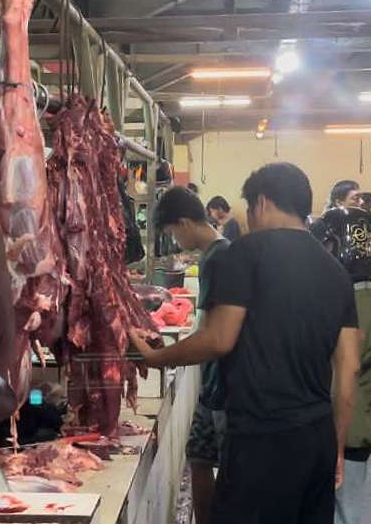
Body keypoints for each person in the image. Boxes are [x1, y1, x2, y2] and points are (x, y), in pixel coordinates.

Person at [129, 162, 361, 524]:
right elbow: (349, 369)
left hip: (260, 436)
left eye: (250, 209)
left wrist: (157, 357)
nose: (249, 219)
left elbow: (219, 340)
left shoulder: (245, 253)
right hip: (316, 437)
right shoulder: (336, 271)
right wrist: (338, 447)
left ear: (263, 203)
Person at [152, 187, 231, 524]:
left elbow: (214, 335)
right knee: (199, 458)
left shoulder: (218, 258)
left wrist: (160, 356)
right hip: (213, 384)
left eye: (171, 232)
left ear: (183, 223)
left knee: (227, 472)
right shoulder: (217, 254)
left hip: (224, 387)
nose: (173, 239)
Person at [311, 204, 371, 524]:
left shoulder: (353, 302)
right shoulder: (368, 290)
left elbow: (348, 366)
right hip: (358, 422)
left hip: (350, 428)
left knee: (343, 510)